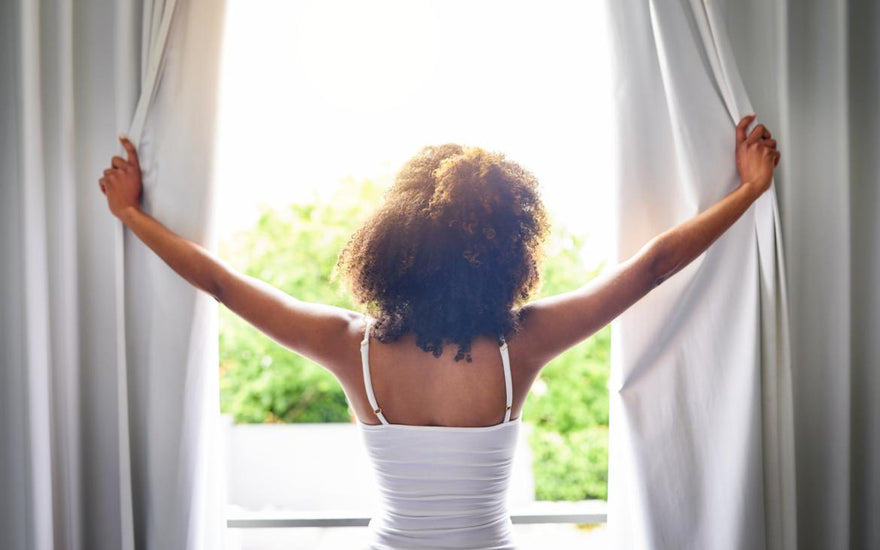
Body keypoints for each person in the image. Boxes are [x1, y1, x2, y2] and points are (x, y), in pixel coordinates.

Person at [98, 113, 780, 549]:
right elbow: (654, 266)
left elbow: (219, 283)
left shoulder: (350, 346)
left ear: (393, 246)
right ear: (511, 251)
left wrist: (131, 215)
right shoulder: (524, 343)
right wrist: (747, 193)